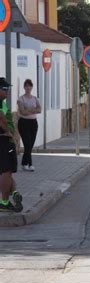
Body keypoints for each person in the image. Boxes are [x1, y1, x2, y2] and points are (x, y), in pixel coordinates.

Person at [0, 78, 23, 212]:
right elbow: (1, 118)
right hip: (4, 141)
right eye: (4, 89)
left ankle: (14, 193)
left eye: (7, 89)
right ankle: (4, 201)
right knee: (6, 171)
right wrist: (9, 134)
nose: (7, 92)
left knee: (6, 172)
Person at [17, 79, 41, 172]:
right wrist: (33, 109)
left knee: (30, 144)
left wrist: (28, 109)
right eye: (26, 86)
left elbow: (40, 110)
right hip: (23, 123)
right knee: (27, 144)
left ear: (32, 87)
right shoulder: (20, 99)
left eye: (29, 86)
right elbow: (22, 111)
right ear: (24, 87)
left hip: (33, 123)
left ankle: (25, 163)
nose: (28, 88)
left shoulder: (35, 98)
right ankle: (29, 164)